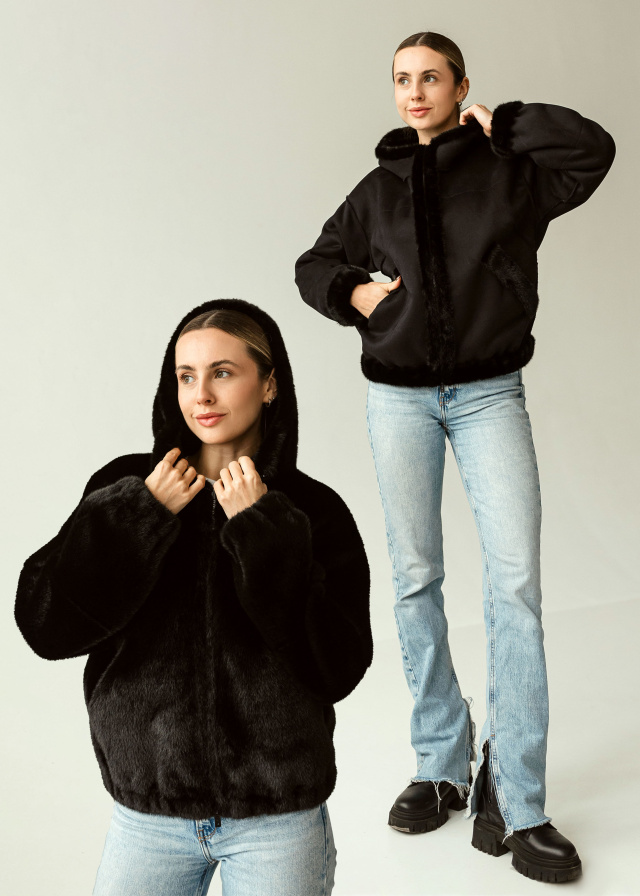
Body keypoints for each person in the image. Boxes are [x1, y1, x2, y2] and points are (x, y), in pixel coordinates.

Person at [294, 29, 615, 885]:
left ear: (460, 86)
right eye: (402, 78)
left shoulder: (511, 173)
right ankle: (441, 760)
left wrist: (508, 124)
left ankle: (518, 797)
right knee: (414, 578)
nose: (414, 92)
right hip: (398, 401)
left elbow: (594, 151)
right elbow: (314, 263)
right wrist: (352, 291)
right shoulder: (375, 191)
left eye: (430, 77)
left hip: (488, 396)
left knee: (516, 585)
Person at [14, 298, 373, 896]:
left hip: (277, 821)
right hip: (147, 815)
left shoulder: (313, 511)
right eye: (186, 376)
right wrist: (139, 516)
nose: (201, 395)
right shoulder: (126, 486)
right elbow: (45, 625)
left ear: (270, 385)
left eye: (222, 372)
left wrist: (263, 532)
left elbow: (338, 666)